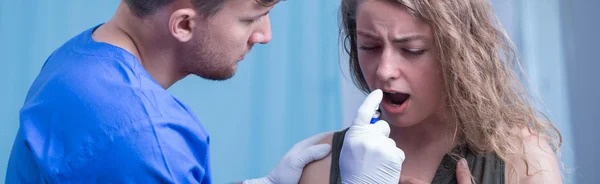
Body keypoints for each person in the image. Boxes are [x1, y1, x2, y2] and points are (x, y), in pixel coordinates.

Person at [5, 0, 405, 183]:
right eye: (254, 17)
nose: (265, 35)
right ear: (182, 25)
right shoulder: (146, 137)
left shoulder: (78, 58)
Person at [299, 0, 563, 183]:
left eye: (412, 50)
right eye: (369, 46)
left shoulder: (523, 159)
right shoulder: (322, 161)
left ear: (461, 53)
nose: (384, 70)